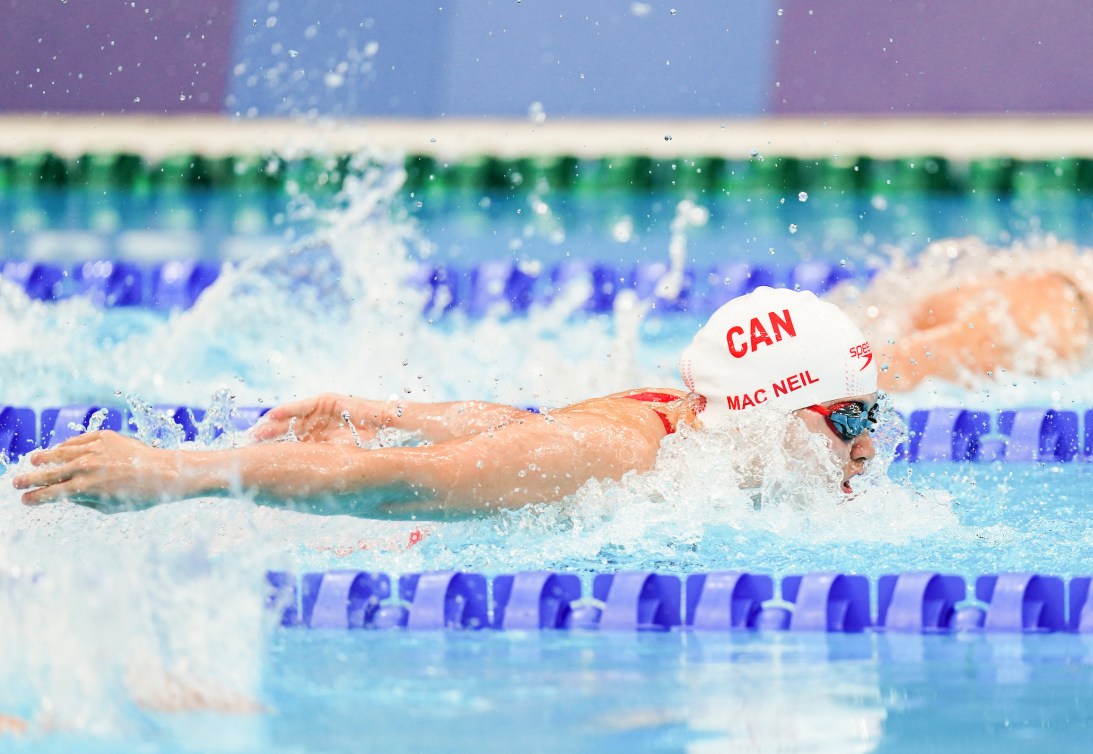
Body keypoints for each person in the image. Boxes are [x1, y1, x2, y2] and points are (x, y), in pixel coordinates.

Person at [12, 287, 879, 517]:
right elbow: (403, 488)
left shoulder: (682, 418)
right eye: (848, 421)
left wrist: (390, 413)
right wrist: (168, 470)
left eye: (870, 417)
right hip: (365, 530)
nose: (865, 446)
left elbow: (523, 430)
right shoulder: (621, 454)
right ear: (765, 414)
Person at [828, 236, 1093, 390]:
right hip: (1055, 314)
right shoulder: (1043, 326)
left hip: (1048, 290)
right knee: (877, 371)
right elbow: (887, 371)